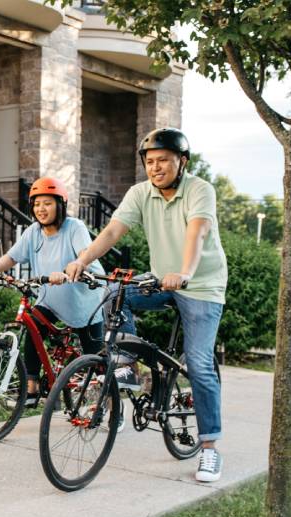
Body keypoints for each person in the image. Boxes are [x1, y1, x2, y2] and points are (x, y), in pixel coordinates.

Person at [65, 128, 228, 482]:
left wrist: (184, 272)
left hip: (200, 285)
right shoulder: (141, 193)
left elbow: (197, 231)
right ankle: (127, 365)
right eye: (150, 162)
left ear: (181, 162)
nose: (156, 168)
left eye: (163, 161)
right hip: (160, 280)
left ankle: (210, 448)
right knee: (113, 294)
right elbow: (112, 232)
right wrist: (83, 259)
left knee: (200, 365)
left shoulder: (200, 190)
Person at [0, 177, 106, 407]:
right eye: (37, 204)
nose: (41, 209)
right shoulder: (33, 232)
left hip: (85, 303)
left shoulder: (74, 228)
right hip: (51, 299)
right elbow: (11, 257)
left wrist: (69, 270)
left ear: (60, 204)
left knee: (96, 363)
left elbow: (84, 253)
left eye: (47, 203)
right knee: (33, 325)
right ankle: (31, 388)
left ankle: (109, 407)